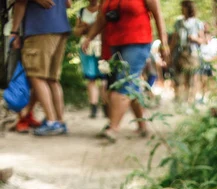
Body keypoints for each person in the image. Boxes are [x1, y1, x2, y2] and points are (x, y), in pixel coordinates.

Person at [82, 0, 169, 142]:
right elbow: (102, 18)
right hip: (115, 42)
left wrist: (164, 44)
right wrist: (89, 37)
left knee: (124, 82)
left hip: (138, 42)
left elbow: (157, 14)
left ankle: (113, 127)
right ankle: (143, 126)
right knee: (131, 84)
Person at [10, 0, 71, 136]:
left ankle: (51, 121)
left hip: (40, 28)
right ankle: (59, 121)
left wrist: (14, 31)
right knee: (51, 78)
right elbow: (68, 3)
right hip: (60, 27)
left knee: (36, 76)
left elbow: (20, 3)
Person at [73, 0, 107, 119]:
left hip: (102, 45)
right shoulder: (81, 12)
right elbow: (76, 31)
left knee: (104, 79)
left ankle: (105, 105)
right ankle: (93, 107)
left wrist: (90, 26)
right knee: (90, 78)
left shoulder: (103, 9)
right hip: (86, 47)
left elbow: (104, 26)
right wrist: (84, 27)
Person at [170, 1, 204, 106]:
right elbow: (174, 40)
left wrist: (194, 39)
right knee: (178, 78)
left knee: (192, 79)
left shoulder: (198, 23)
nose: (182, 9)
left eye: (184, 7)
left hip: (192, 54)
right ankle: (179, 100)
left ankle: (190, 101)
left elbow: (202, 40)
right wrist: (169, 53)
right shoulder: (178, 22)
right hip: (180, 53)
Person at [199, 22, 217, 103]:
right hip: (203, 64)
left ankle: (214, 97)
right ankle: (203, 97)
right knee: (203, 81)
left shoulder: (214, 41)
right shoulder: (200, 42)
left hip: (212, 63)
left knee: (212, 81)